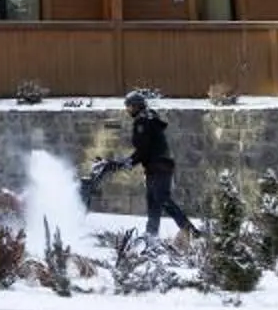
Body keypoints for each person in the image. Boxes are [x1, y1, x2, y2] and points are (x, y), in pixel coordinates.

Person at [80, 91, 199, 240]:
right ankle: (151, 236)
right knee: (153, 203)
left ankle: (191, 231)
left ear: (136, 106)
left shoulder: (142, 122)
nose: (127, 109)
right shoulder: (149, 118)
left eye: (128, 106)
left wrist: (125, 163)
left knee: (162, 199)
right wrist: (123, 163)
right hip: (157, 167)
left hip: (158, 167)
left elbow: (143, 151)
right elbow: (144, 150)